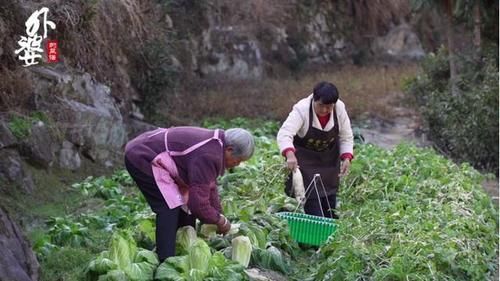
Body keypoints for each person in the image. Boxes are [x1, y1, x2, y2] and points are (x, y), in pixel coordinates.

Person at [124, 126, 255, 261]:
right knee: (170, 206)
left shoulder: (216, 145)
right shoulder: (209, 154)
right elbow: (198, 205)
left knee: (185, 205)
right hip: (143, 156)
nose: (237, 165)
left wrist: (219, 215)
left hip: (154, 153)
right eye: (238, 160)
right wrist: (220, 221)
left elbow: (209, 187)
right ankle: (166, 259)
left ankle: (182, 247)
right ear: (229, 150)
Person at [277, 81, 354, 219]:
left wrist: (347, 157)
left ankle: (329, 238)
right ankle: (313, 237)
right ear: (314, 99)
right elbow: (285, 133)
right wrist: (289, 154)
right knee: (314, 211)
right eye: (321, 106)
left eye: (329, 107)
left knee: (329, 210)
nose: (324, 110)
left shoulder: (339, 108)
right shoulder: (302, 109)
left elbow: (346, 136)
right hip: (305, 165)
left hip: (329, 164)